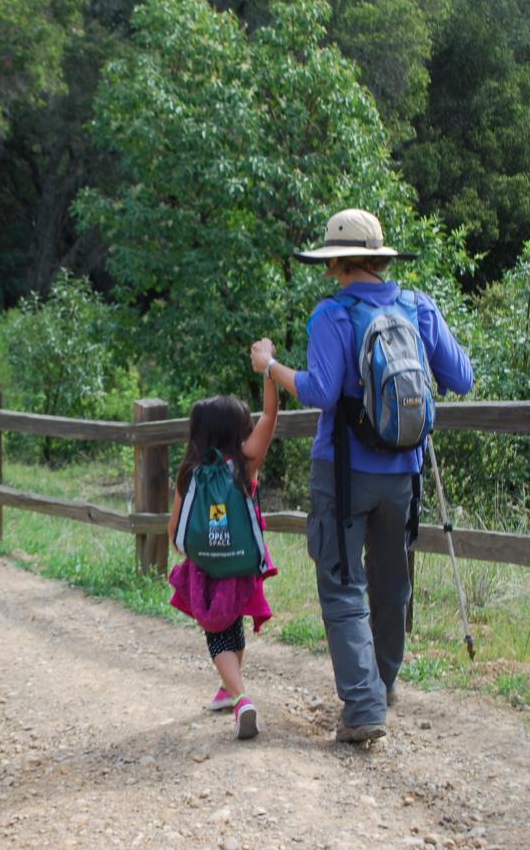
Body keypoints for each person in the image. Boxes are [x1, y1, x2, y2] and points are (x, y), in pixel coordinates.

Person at [251, 208, 473, 743]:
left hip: (344, 471)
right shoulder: (418, 307)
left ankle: (365, 706)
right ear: (378, 258)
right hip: (405, 472)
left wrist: (270, 368)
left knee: (342, 583)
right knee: (392, 580)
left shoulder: (332, 315)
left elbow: (323, 392)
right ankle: (384, 682)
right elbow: (461, 377)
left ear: (337, 264)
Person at [166, 371, 280, 740]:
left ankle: (241, 698)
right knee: (234, 626)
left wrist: (195, 551)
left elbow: (175, 532)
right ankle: (229, 689)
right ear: (238, 431)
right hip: (241, 564)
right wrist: (269, 372)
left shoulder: (191, 473)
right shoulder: (246, 466)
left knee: (217, 634)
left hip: (207, 570)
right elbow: (271, 415)